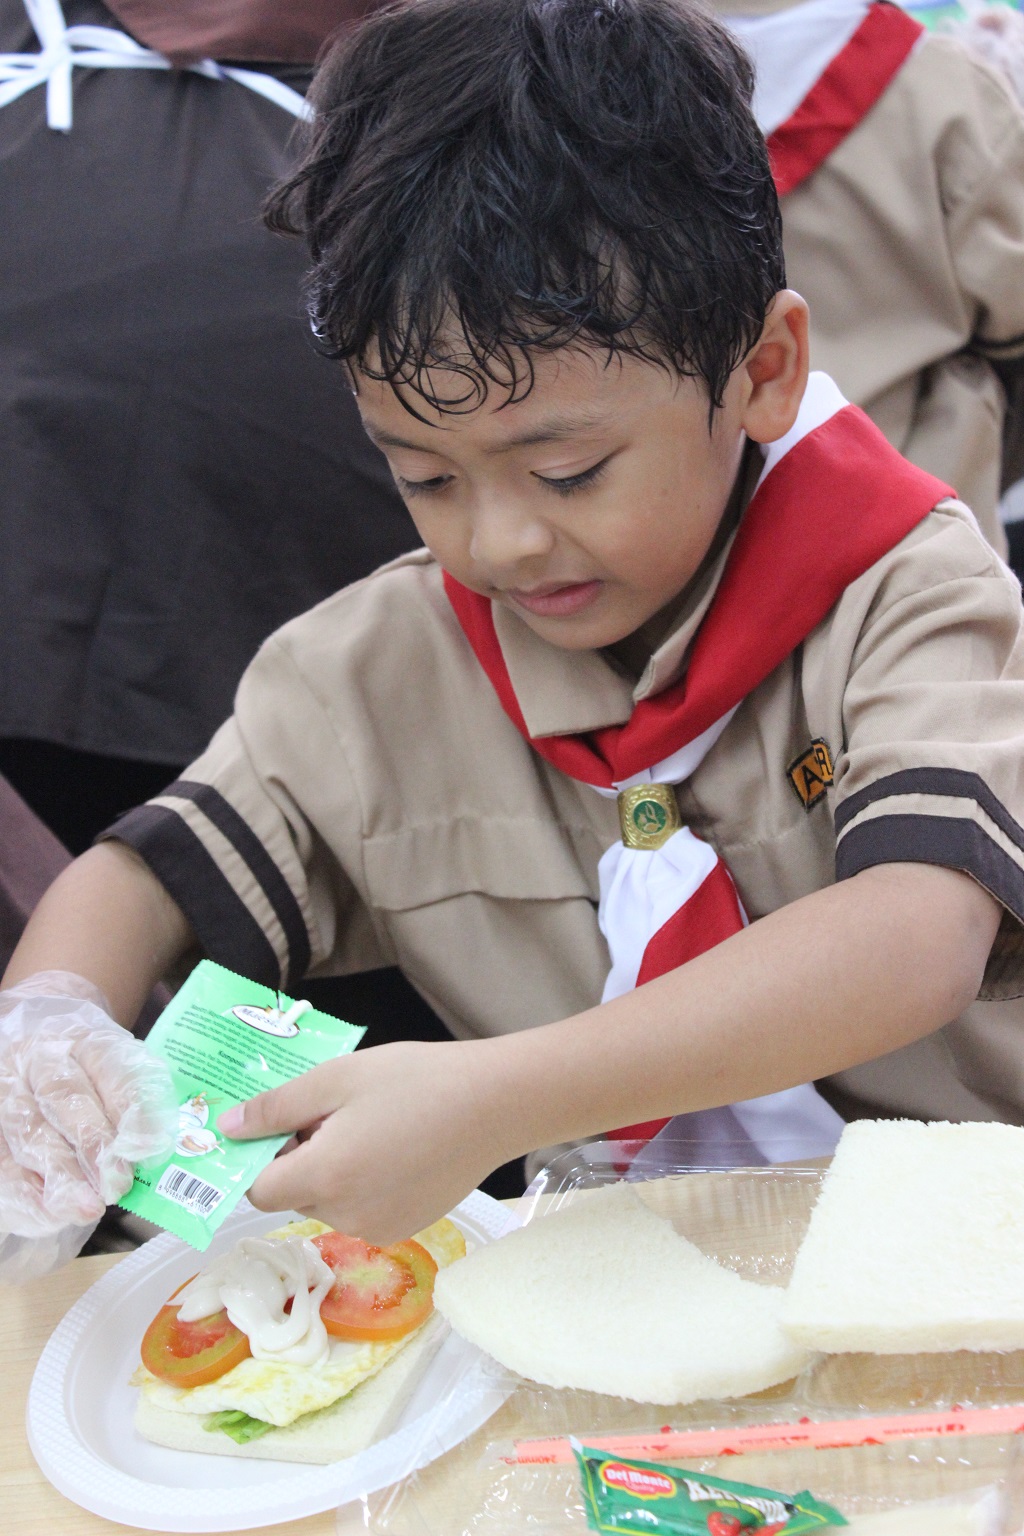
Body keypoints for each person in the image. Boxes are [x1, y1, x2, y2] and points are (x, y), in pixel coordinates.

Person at [2, 0, 1021, 1267]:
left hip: (966, 1271)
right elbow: (138, 878)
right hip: (612, 1295)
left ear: (762, 369)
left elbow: (913, 933)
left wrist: (492, 1093)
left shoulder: (909, 594)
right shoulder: (368, 668)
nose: (498, 545)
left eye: (569, 472)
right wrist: (48, 1027)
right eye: (425, 476)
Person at [705, 0, 1024, 563]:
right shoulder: (945, 94)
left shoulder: (578, 85)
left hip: (677, 537)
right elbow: (1012, 315)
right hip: (916, 528)